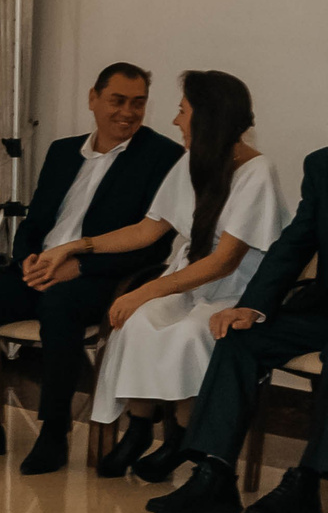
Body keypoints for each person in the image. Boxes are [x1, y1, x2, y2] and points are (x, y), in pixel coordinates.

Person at [32, 71, 290, 485]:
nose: (175, 120)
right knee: (135, 323)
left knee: (188, 333)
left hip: (236, 293)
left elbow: (224, 262)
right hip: (188, 280)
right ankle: (138, 429)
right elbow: (147, 230)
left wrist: (144, 291)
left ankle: (181, 439)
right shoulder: (191, 160)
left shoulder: (257, 171)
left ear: (207, 116)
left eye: (182, 111)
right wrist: (76, 246)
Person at [0, 63, 182, 474]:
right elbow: (35, 222)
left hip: (102, 279)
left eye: (138, 103)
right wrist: (28, 258)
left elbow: (154, 245)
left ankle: (54, 432)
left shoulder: (164, 157)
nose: (128, 112)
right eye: (117, 101)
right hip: (39, 270)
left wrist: (80, 267)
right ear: (93, 98)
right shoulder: (63, 151)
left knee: (59, 305)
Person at [146, 147, 328, 513]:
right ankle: (215, 474)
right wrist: (252, 306)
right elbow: (295, 243)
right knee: (237, 336)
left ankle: (307, 483)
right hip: (320, 310)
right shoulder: (322, 165)